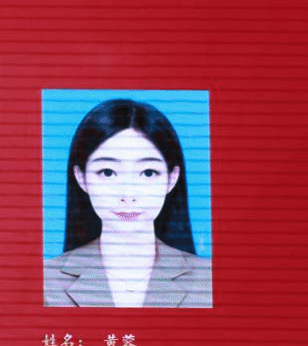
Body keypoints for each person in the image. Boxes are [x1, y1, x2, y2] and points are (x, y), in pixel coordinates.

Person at [43, 97, 210, 308]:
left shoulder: (208, 280)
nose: (128, 194)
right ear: (81, 178)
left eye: (148, 172)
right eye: (107, 172)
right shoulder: (46, 282)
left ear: (172, 178)